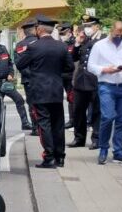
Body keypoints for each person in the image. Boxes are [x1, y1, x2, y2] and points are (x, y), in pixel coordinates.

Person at [16, 16, 74, 168]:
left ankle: (49, 157)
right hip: (56, 90)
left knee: (44, 125)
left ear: (39, 29)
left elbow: (20, 64)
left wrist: (34, 71)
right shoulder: (61, 46)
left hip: (39, 91)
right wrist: (56, 75)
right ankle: (60, 157)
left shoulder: (34, 47)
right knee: (58, 124)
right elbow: (70, 68)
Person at [88, 21, 122, 165]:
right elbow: (90, 65)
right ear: (111, 30)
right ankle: (103, 148)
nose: (119, 35)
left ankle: (119, 152)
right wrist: (104, 70)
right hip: (107, 86)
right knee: (108, 117)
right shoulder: (99, 45)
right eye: (117, 32)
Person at [0, 29, 33, 130]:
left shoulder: (3, 49)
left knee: (19, 100)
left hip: (6, 83)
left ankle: (25, 123)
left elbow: (10, 63)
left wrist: (11, 74)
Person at [69, 16, 104, 149]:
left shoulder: (103, 39)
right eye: (85, 26)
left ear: (97, 26)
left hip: (95, 80)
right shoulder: (84, 40)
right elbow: (73, 58)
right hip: (81, 80)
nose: (86, 28)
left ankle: (97, 138)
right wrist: (77, 44)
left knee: (96, 111)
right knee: (78, 110)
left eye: (89, 25)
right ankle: (79, 138)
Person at [14, 19, 40, 135]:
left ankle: (35, 128)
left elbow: (19, 64)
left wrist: (29, 74)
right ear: (34, 30)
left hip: (28, 80)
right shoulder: (40, 42)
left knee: (32, 105)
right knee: (42, 104)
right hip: (41, 78)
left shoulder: (19, 45)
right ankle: (42, 127)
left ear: (24, 32)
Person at [58, 23, 76, 129]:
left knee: (72, 98)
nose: (62, 35)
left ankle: (74, 120)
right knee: (68, 99)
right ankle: (71, 120)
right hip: (62, 75)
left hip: (71, 76)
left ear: (69, 31)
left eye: (63, 33)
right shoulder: (61, 43)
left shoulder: (74, 43)